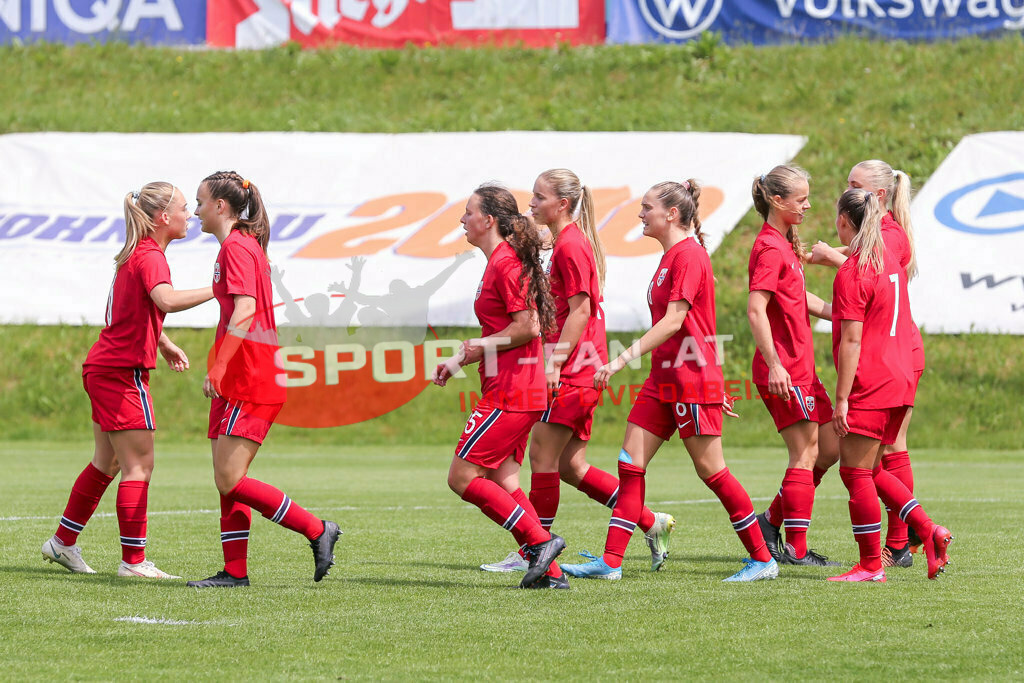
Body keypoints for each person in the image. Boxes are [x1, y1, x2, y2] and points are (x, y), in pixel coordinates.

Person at [562, 181, 778, 582]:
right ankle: (611, 562)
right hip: (663, 379)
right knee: (630, 463)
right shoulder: (669, 257)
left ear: (672, 214)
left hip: (690, 380)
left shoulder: (690, 255)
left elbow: (675, 321)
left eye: (647, 208)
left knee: (712, 472)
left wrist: (621, 359)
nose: (640, 214)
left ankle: (763, 559)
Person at [481, 169, 675, 576]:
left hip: (574, 370)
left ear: (562, 203)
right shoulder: (568, 241)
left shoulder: (572, 244)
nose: (531, 203)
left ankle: (535, 550)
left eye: (539, 197)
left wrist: (555, 362)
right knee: (572, 466)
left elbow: (581, 310)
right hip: (582, 367)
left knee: (541, 457)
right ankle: (649, 521)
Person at [41, 182, 212, 578]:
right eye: (184, 208)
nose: (190, 214)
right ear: (164, 217)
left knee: (108, 461)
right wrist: (220, 288)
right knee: (139, 466)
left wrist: (163, 342)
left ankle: (63, 542)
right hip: (120, 372)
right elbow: (166, 300)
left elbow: (133, 311)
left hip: (104, 367)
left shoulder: (138, 254)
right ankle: (134, 562)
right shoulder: (151, 256)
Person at [186, 171, 340, 588]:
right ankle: (235, 572)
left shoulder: (237, 247)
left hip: (251, 377)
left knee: (230, 478)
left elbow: (245, 309)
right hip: (241, 377)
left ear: (220, 206)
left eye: (200, 202)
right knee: (226, 480)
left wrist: (219, 366)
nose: (196, 211)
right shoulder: (241, 245)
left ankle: (317, 529)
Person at [432, 183, 568, 589]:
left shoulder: (505, 262)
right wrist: (464, 356)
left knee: (461, 477)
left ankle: (540, 543)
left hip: (512, 391)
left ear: (489, 220)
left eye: (469, 212)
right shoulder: (499, 261)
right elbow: (506, 330)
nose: (462, 219)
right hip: (513, 387)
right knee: (504, 482)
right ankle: (551, 574)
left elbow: (528, 327)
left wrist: (476, 347)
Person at [827, 188, 952, 582]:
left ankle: (870, 565)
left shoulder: (853, 270)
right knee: (875, 467)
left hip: (872, 380)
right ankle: (928, 530)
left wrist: (842, 398)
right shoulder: (889, 262)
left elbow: (852, 340)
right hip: (900, 376)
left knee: (855, 473)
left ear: (844, 221)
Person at [810, 160, 924, 569]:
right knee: (876, 457)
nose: (846, 190)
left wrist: (830, 258)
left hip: (888, 358)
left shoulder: (888, 237)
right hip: (895, 355)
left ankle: (899, 543)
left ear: (876, 195)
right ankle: (913, 535)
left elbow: (867, 276)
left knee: (875, 458)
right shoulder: (883, 233)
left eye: (853, 185)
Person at [746, 166, 840, 567]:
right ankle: (796, 550)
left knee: (830, 448)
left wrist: (844, 313)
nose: (808, 205)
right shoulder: (770, 248)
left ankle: (770, 522)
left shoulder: (784, 244)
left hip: (803, 368)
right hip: (785, 370)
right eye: (801, 199)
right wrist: (775, 365)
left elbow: (800, 298)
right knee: (804, 453)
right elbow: (756, 310)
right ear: (777, 200)